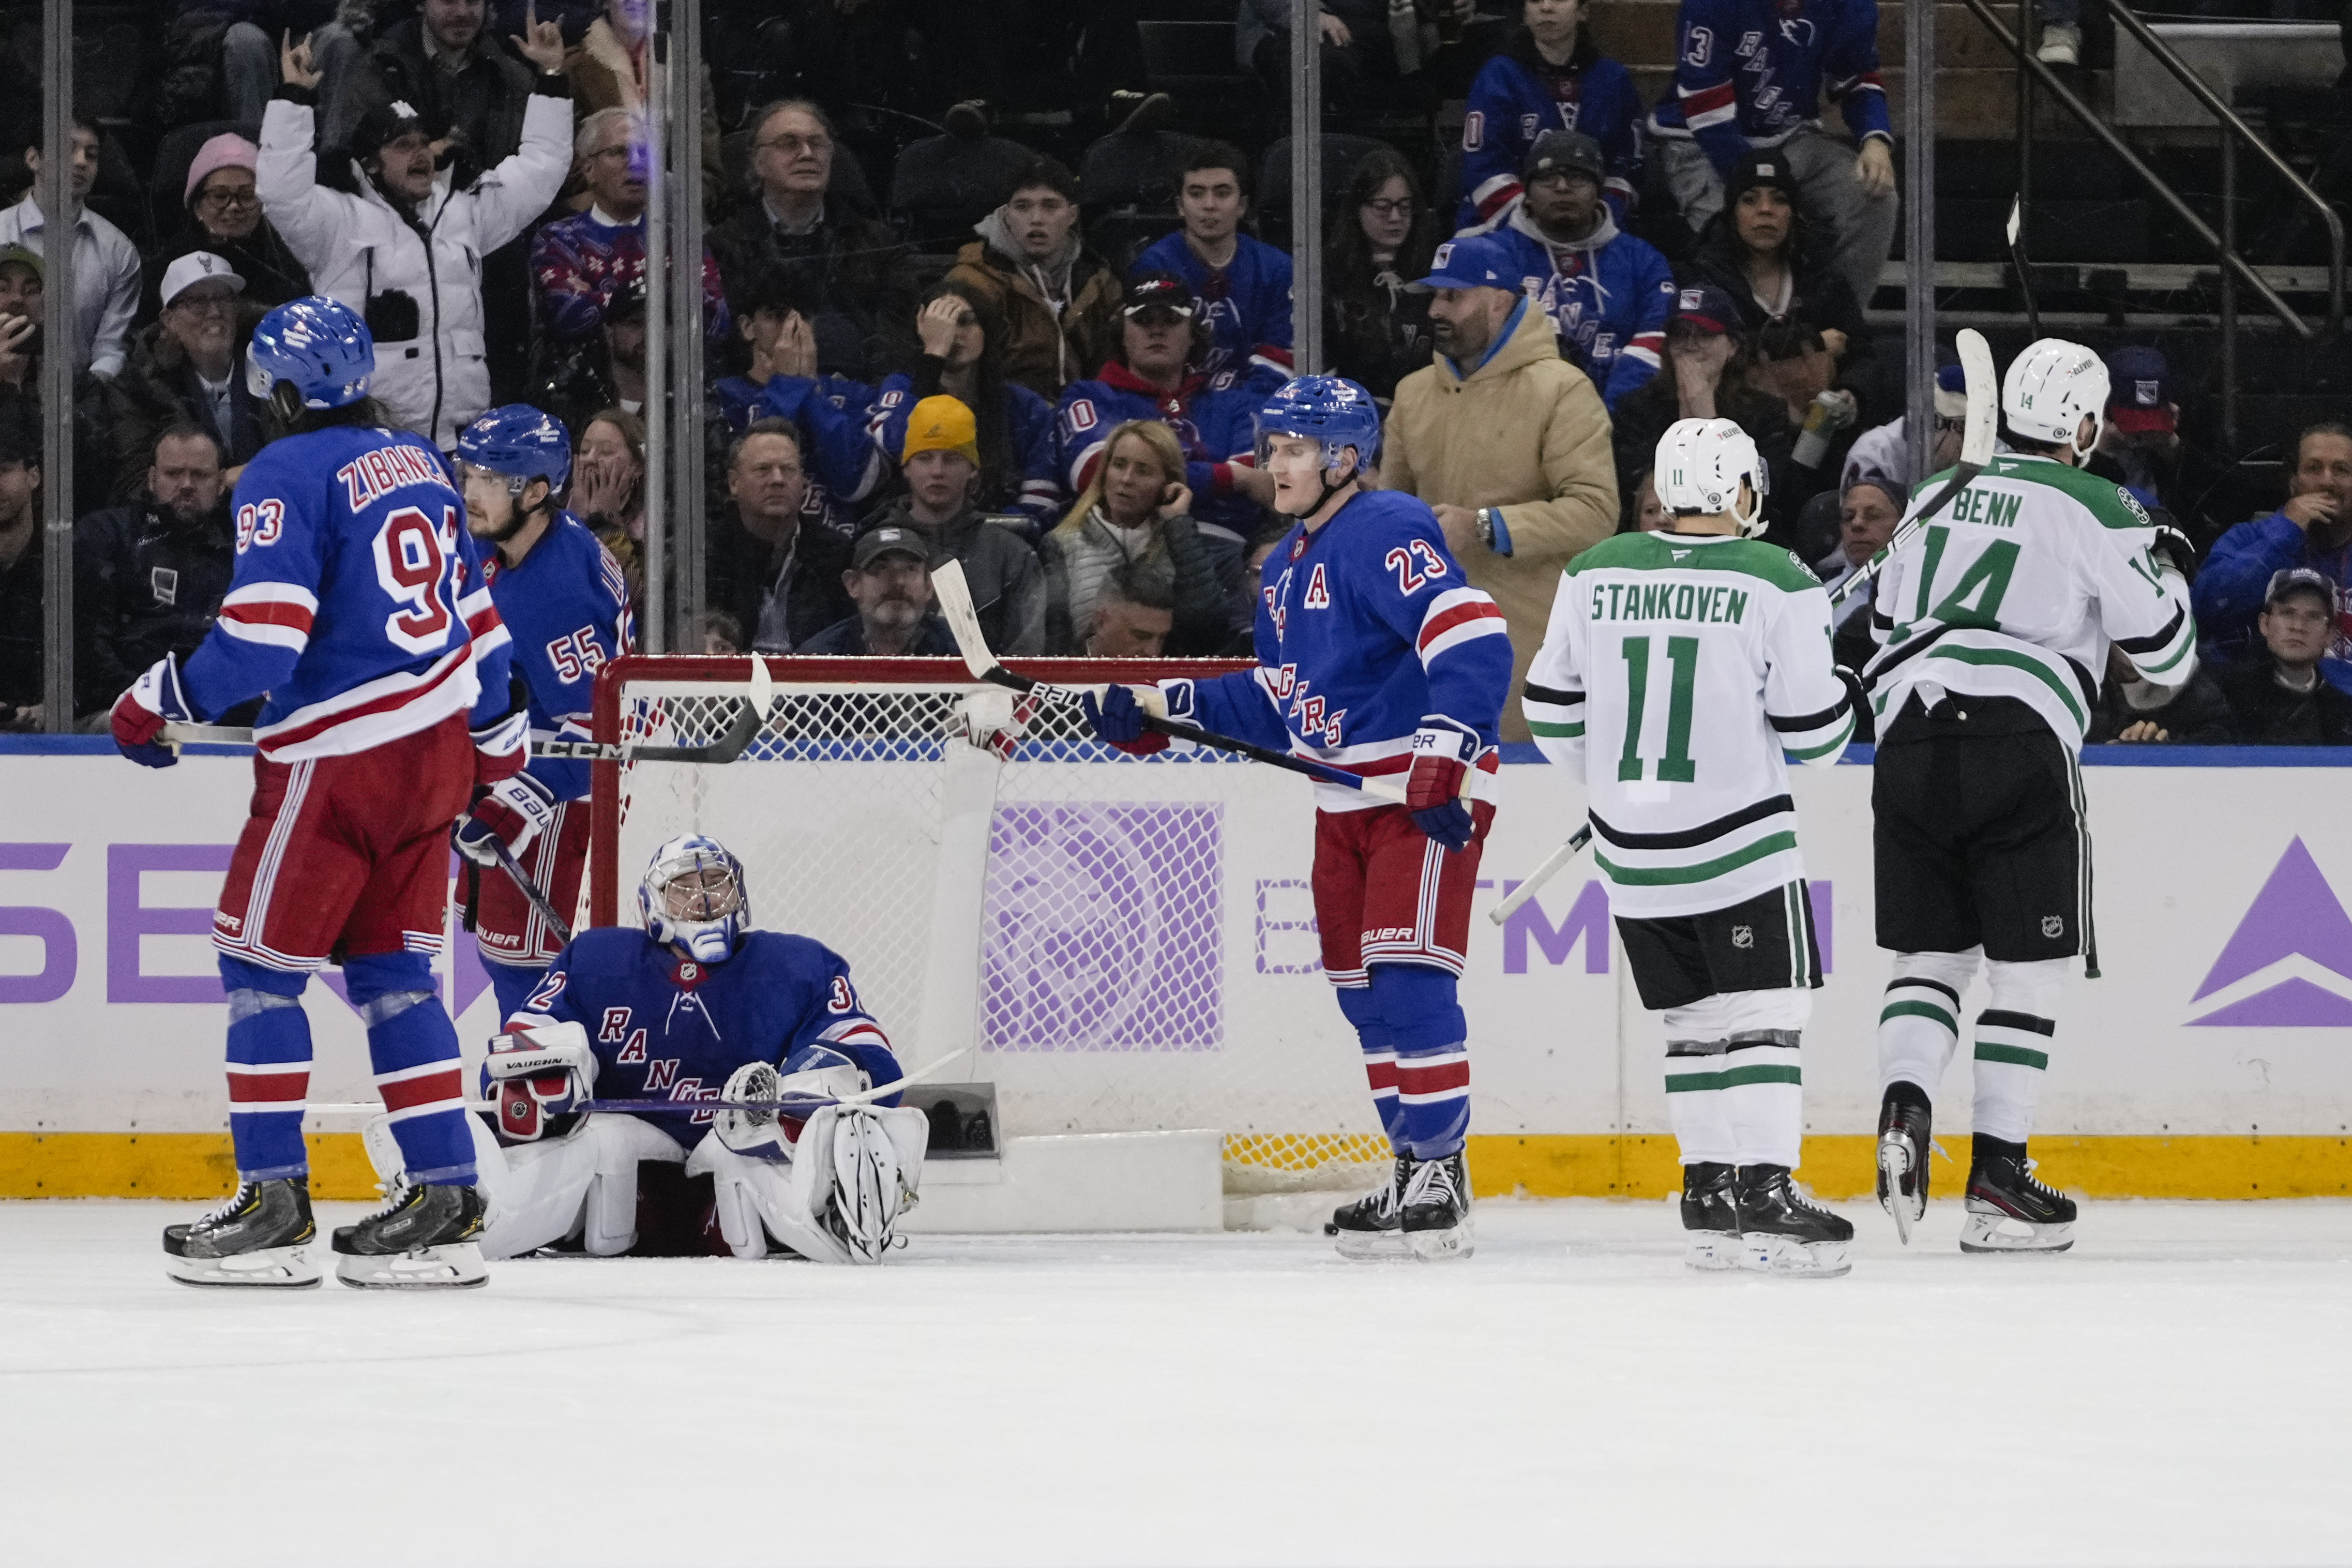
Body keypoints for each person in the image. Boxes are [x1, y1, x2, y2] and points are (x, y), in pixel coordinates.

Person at [107, 296, 524, 1290]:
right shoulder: (421, 461)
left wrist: (156, 701)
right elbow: (480, 623)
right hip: (435, 755)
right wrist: (497, 758)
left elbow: (262, 639)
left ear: (284, 390)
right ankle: (445, 1194)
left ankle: (275, 1201)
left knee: (259, 972)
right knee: (394, 981)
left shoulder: (289, 469)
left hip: (339, 759)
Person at [1079, 375, 1512, 1260]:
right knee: (1362, 1000)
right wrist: (1163, 706)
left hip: (1415, 796)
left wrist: (1445, 751)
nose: (1276, 463)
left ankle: (1438, 1167)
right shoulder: (1283, 565)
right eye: (1273, 447)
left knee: (1406, 980)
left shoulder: (1385, 526)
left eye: (1294, 448)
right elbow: (1284, 696)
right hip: (1342, 798)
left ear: (1344, 457)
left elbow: (1469, 629)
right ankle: (1410, 1165)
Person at [1864, 338, 2198, 1256]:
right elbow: (2166, 660)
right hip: (2018, 738)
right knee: (2027, 966)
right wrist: (2165, 564)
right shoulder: (2098, 501)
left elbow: (1886, 627)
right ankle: (1998, 1175)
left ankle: (1904, 1103)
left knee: (1930, 956)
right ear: (2084, 427)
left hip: (1909, 738)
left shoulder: (1932, 494)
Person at [1524, 417, 1859, 1274]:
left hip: (1629, 853)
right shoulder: (1776, 577)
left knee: (1693, 1022)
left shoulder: (1594, 569)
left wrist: (1614, 791)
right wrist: (1845, 689)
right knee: (1765, 1016)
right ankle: (1766, 1190)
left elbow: (1551, 707)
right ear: (1742, 491)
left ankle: (1707, 1189)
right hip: (1737, 845)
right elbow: (1816, 740)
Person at [380, 835, 930, 1263]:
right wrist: (553, 1067)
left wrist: (800, 1092)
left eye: (717, 884)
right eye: (684, 889)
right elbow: (517, 1043)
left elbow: (865, 1049)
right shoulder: (596, 960)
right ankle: (465, 1205)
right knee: (594, 1140)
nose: (706, 899)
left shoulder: (798, 966)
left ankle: (836, 1214)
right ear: (650, 903)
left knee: (793, 1127)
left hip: (740, 1156)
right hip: (625, 1164)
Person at [261, 23, 573, 448]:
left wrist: (552, 80)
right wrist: (294, 99)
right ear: (371, 164)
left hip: (458, 441)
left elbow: (542, 169)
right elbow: (280, 192)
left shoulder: (464, 209)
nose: (421, 153)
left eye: (424, 142)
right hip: (371, 439)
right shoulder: (336, 221)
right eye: (403, 145)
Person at [1380, 234, 1619, 743]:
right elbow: (1391, 515)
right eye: (1435, 296)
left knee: (1527, 814)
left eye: (1454, 296)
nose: (1438, 309)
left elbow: (1596, 510)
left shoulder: (1563, 389)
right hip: (1427, 647)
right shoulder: (1412, 393)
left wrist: (1485, 526)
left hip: (1530, 650)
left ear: (1499, 299)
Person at [448, 405, 633, 1019]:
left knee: (533, 992)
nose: (470, 492)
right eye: (467, 473)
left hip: (558, 811)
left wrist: (515, 802)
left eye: (488, 480)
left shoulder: (558, 590)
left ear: (534, 492)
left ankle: (543, 1107)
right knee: (511, 976)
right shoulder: (513, 548)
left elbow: (600, 733)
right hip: (518, 787)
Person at [1648, 0, 1898, 315]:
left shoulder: (1848, 5)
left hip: (1790, 138)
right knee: (1744, 233)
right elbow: (1706, 109)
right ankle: (1749, 345)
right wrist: (1766, 187)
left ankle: (1841, 327)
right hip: (1701, 144)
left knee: (1873, 193)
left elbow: (1857, 76)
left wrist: (1875, 138)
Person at [1054, 273, 1281, 564]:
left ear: (1193, 334)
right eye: (1143, 320)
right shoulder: (1090, 397)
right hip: (1124, 550)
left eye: (1171, 320)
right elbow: (1095, 474)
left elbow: (1262, 481)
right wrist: (1234, 477)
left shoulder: (1233, 403)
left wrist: (1151, 478)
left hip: (1226, 553)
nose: (1157, 331)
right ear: (1122, 334)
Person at [708, 99, 920, 384]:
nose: (807, 153)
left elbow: (897, 337)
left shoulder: (876, 242)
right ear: (759, 162)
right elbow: (723, 344)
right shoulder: (722, 246)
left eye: (817, 144)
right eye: (789, 143)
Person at [1480, 130, 1675, 411]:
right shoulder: (1489, 255)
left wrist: (1610, 411)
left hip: (1620, 414)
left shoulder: (1643, 260)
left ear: (1599, 192)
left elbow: (1657, 337)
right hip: (1516, 412)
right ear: (1527, 193)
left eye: (1579, 178)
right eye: (1547, 178)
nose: (1562, 187)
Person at [530, 108, 727, 365]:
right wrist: (670, 301)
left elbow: (716, 319)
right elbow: (570, 315)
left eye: (644, 153)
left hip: (674, 383)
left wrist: (602, 295)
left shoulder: (681, 239)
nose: (635, 162)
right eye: (619, 152)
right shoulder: (558, 240)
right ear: (588, 169)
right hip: (586, 388)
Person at [863, 282, 1062, 533]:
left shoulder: (1025, 406)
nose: (954, 334)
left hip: (1001, 546)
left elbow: (1041, 503)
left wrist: (982, 539)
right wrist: (933, 354)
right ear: (922, 328)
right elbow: (893, 444)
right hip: (914, 539)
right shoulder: (901, 387)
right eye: (942, 324)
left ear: (987, 331)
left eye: (966, 322)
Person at [72, 426, 237, 722]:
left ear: (222, 483)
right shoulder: (108, 534)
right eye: (173, 474)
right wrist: (147, 704)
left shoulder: (242, 547)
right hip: (120, 709)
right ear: (151, 479)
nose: (186, 485)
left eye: (200, 475)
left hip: (223, 713)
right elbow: (89, 649)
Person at [1684, 151, 1874, 401]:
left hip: (1818, 428)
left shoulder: (1823, 277)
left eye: (1780, 200)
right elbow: (1702, 352)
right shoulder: (1703, 278)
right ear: (1732, 215)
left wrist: (1852, 394)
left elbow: (1862, 355)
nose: (1766, 210)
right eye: (1750, 200)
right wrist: (1810, 342)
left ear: (1794, 215)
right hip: (1732, 427)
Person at [865, 396, 1046, 656]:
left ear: (973, 469)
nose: (938, 471)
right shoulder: (872, 548)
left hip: (990, 695)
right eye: (925, 458)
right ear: (906, 467)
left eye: (951, 459)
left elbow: (1027, 658)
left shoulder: (1012, 554)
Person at [1609, 286, 1793, 540]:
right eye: (1680, 335)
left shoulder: (1765, 414)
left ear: (1733, 347)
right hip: (1652, 538)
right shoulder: (1636, 409)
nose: (1690, 345)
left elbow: (1758, 496)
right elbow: (1636, 492)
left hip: (1739, 540)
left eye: (1705, 335)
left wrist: (1705, 414)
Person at [1038, 419, 1230, 656]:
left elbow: (1209, 630)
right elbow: (1053, 644)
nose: (1127, 479)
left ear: (1168, 482)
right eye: (1119, 465)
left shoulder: (1182, 541)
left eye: (1143, 471)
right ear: (1105, 471)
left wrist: (1178, 524)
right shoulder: (1062, 542)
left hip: (1162, 685)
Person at [93, 254, 267, 505]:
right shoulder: (137, 386)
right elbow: (133, 484)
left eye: (222, 298)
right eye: (197, 302)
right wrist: (220, 482)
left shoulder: (279, 369)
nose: (214, 312)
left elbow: (307, 453)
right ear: (169, 320)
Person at [946, 156, 1125, 400]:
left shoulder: (1100, 284)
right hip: (999, 415)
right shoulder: (971, 281)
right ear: (1006, 214)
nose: (1036, 219)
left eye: (1050, 206)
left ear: (1072, 215)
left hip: (1085, 416)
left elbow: (1115, 371)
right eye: (1022, 207)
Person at [1457, 0, 1645, 230]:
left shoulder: (1614, 80)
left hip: (1598, 231)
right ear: (1524, 13)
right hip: (1504, 233)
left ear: (1583, 11)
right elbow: (1483, 167)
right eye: (1535, 0)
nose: (1546, 7)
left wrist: (1593, 221)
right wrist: (1541, 226)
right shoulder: (1497, 77)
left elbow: (1627, 166)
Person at [2195, 423, 2352, 679]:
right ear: (2292, 481)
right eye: (2314, 468)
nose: (2327, 481)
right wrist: (2285, 533)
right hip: (2273, 705)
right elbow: (2207, 612)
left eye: (2341, 470)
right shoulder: (2247, 538)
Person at [1130, 142, 1294, 383]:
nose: (1209, 205)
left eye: (1222, 193)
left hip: (1250, 407)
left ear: (1242, 206)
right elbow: (1151, 364)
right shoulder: (1154, 267)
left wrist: (1236, 409)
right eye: (1196, 194)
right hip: (1179, 403)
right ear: (1180, 206)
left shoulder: (1277, 269)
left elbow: (1281, 361)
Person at [0, 117, 141, 378]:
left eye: (92, 155)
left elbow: (111, 348)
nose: (80, 162)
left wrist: (88, 397)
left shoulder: (119, 251)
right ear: (33, 159)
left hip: (82, 400)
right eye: (67, 149)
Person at [707, 418, 854, 655]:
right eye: (763, 470)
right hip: (730, 686)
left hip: (815, 687)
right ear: (734, 483)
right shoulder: (704, 552)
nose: (777, 480)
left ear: (803, 482)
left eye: (788, 470)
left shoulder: (837, 554)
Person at [1323, 148, 1437, 405]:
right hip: (1351, 410)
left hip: (1423, 408)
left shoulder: (1435, 268)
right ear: (1357, 208)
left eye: (1405, 207)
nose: (1395, 218)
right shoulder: (1331, 271)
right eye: (1382, 207)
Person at [153, 133, 312, 314]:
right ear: (196, 206)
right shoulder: (168, 268)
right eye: (220, 196)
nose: (235, 206)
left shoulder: (292, 254)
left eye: (247, 196)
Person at [2212, 568, 2352, 745]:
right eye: (2287, 613)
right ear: (2265, 624)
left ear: (2331, 634)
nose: (2298, 626)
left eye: (2314, 617)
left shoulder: (2344, 712)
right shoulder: (2224, 694)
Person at [799, 525, 960, 657]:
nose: (899, 582)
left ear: (929, 586)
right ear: (853, 584)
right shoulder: (819, 657)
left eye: (911, 570)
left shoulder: (963, 653)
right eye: (881, 569)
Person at [1817, 473, 1901, 676]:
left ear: (1903, 523)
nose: (1857, 524)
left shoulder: (1924, 595)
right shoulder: (1816, 600)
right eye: (1848, 517)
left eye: (1873, 515)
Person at [0, 401, 44, 729]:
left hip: (52, 719)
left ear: (34, 476)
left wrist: (52, 708)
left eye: (3, 469)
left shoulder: (67, 564)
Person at [1081, 561, 1177, 656]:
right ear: (1100, 621)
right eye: (1142, 636)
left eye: (1162, 638)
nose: (1154, 652)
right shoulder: (1067, 666)